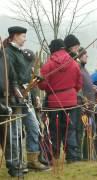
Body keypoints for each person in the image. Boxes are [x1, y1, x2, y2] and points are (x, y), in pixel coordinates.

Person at [38, 39, 83, 163]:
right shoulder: (73, 63)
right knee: (70, 129)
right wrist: (71, 92)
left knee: (54, 129)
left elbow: (42, 85)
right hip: (71, 101)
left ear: (53, 49)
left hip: (55, 101)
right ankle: (72, 157)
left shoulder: (49, 64)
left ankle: (52, 156)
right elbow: (79, 83)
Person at [0, 27, 26, 177]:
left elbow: (14, 79)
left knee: (8, 138)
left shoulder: (4, 57)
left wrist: (18, 95)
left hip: (5, 100)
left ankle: (14, 167)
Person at [21, 49, 50, 171]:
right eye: (30, 62)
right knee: (19, 134)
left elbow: (33, 87)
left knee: (36, 128)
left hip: (29, 103)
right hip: (19, 104)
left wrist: (36, 97)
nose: (32, 65)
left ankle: (35, 158)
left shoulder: (31, 71)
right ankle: (23, 162)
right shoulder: (20, 70)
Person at [77, 47, 96, 160]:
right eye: (85, 54)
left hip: (90, 104)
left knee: (91, 129)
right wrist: (83, 100)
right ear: (79, 56)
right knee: (81, 130)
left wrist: (94, 89)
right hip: (83, 105)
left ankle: (87, 155)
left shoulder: (84, 69)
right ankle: (79, 156)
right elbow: (78, 87)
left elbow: (87, 85)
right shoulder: (78, 69)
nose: (87, 56)